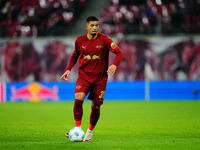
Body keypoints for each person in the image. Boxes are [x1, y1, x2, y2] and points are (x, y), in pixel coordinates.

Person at [60, 16, 123, 141]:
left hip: (100, 79)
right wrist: (68, 69)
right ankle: (78, 128)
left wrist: (114, 65)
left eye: (97, 25)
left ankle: (89, 131)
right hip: (84, 77)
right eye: (92, 25)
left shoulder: (105, 40)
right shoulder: (79, 40)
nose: (95, 28)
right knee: (78, 99)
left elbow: (119, 53)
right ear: (87, 26)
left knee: (96, 107)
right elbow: (74, 55)